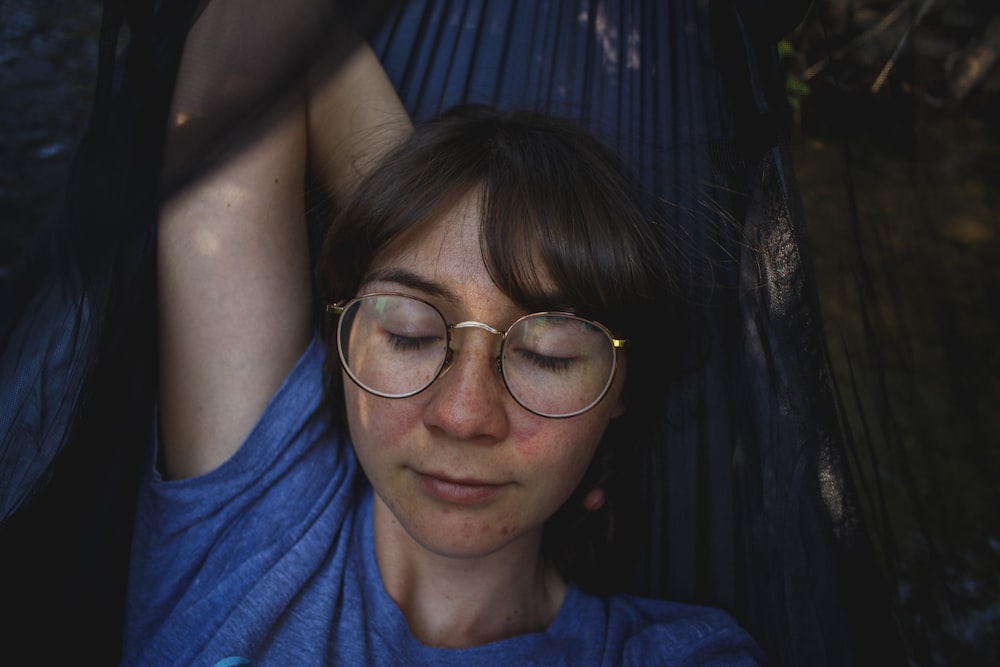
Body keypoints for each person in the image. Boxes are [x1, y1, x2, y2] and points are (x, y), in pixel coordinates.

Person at [121, 5, 765, 659]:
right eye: (406, 332)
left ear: (620, 387)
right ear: (351, 334)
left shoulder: (676, 653)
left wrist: (435, 238)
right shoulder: (255, 517)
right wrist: (415, 211)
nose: (462, 414)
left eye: (545, 352)